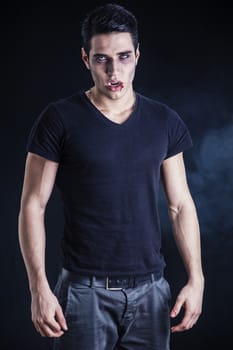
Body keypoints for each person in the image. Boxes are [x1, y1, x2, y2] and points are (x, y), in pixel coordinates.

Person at [18, 3, 204, 350]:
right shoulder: (58, 119)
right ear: (86, 59)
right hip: (83, 293)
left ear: (137, 54)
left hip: (151, 292)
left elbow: (180, 205)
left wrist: (197, 279)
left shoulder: (164, 121)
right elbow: (33, 204)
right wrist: (38, 288)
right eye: (102, 59)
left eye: (123, 57)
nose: (114, 71)